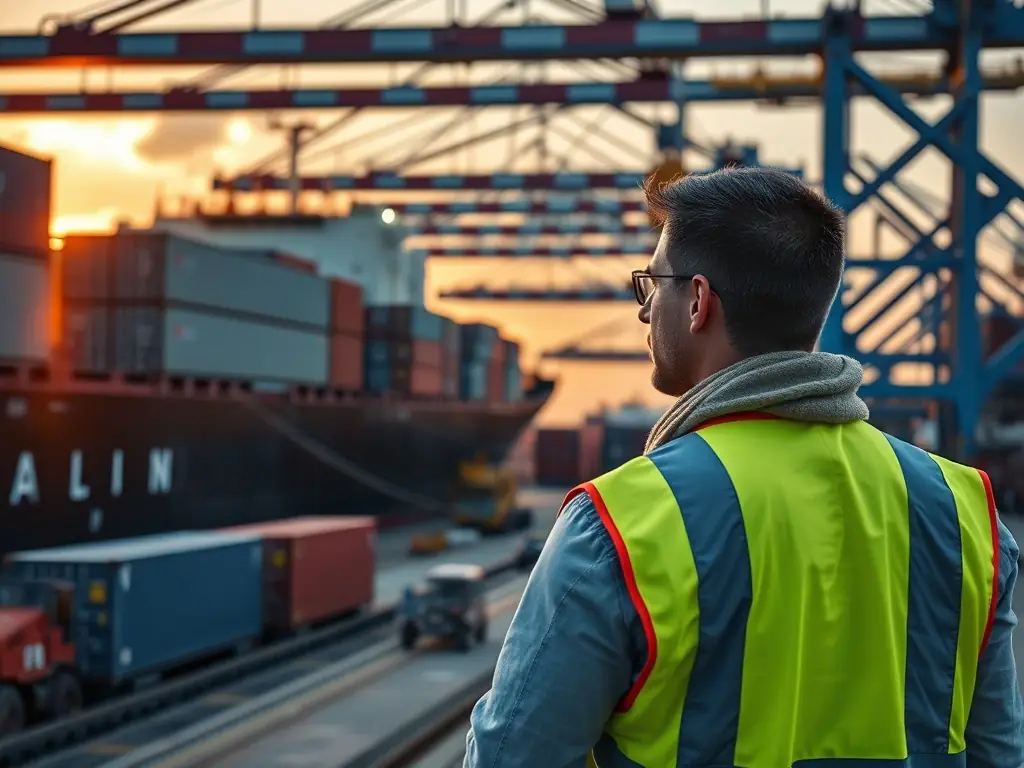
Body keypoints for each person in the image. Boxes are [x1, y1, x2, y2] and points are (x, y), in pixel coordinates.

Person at [463, 167, 1024, 767]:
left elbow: (512, 756)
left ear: (699, 301)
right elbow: (997, 753)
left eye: (653, 284)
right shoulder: (968, 516)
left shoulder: (622, 524)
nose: (645, 311)